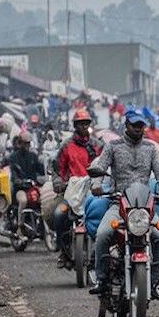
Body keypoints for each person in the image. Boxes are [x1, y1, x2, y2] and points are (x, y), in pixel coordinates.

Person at [87, 110, 159, 300]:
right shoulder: (113, 146)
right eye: (135, 125)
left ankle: (153, 281)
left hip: (144, 208)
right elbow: (100, 168)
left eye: (141, 126)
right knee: (102, 235)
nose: (138, 129)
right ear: (127, 125)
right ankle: (101, 280)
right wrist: (96, 185)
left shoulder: (150, 148)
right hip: (119, 206)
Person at [52, 109, 101, 268]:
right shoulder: (66, 146)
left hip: (93, 192)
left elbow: (107, 165)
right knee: (59, 215)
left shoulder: (97, 145)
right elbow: (57, 169)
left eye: (86, 123)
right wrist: (58, 183)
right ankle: (64, 251)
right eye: (80, 124)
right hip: (71, 192)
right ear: (75, 126)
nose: (84, 126)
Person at [7, 133, 46, 230]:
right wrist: (18, 181)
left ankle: (43, 226)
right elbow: (13, 173)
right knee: (23, 201)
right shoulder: (13, 157)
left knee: (44, 200)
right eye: (25, 143)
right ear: (20, 143)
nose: (27, 146)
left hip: (32, 187)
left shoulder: (33, 156)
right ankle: (20, 226)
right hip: (20, 189)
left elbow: (40, 170)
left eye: (28, 143)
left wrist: (47, 168)